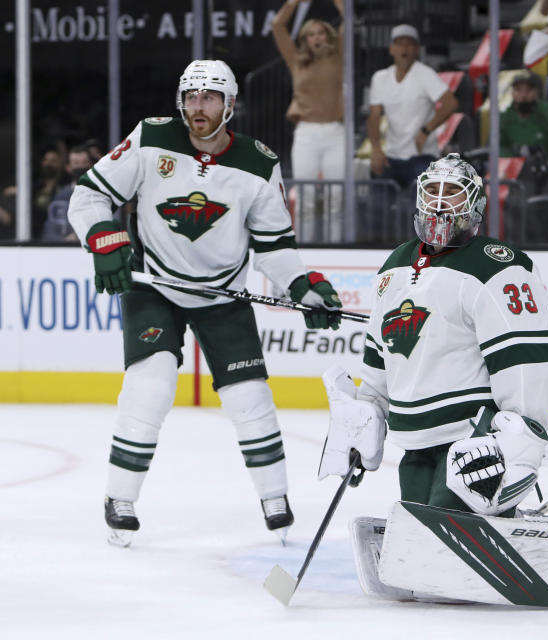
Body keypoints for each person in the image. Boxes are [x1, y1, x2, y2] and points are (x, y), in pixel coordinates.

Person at [315, 153, 548, 612]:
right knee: (428, 573)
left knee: (447, 563)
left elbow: (527, 363)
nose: (439, 204)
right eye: (431, 192)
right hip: (415, 445)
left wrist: (521, 440)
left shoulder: (498, 266)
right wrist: (364, 416)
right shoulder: (395, 265)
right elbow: (380, 355)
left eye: (452, 194)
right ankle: (523, 526)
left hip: (469, 438)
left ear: (474, 206)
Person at [66, 59, 344, 547]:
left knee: (250, 398)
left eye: (209, 97)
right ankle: (120, 498)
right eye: (191, 96)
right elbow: (87, 196)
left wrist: (304, 288)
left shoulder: (259, 164)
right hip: (153, 285)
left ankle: (274, 499)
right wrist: (104, 240)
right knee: (150, 384)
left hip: (221, 294)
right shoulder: (151, 139)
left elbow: (275, 248)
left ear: (229, 105)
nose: (198, 106)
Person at [272, 0, 346, 243]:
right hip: (306, 133)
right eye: (311, 34)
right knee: (305, 197)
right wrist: (294, 2)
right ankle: (305, 248)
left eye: (321, 32)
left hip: (336, 132)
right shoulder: (297, 60)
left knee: (337, 198)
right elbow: (278, 25)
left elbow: (350, 20)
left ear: (328, 35)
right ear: (304, 39)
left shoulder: (339, 55)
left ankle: (337, 248)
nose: (317, 38)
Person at [367, 25, 459, 191]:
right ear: (391, 49)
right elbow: (374, 116)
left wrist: (426, 129)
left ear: (417, 50)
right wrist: (376, 149)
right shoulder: (380, 78)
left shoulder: (425, 74)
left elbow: (451, 102)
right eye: (399, 43)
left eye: (409, 44)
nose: (404, 48)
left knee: (420, 204)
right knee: (376, 201)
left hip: (422, 157)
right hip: (392, 156)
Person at [499, 71, 548, 164]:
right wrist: (515, 156)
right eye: (518, 90)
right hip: (513, 171)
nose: (523, 95)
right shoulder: (505, 118)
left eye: (528, 90)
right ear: (512, 92)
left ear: (537, 92)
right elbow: (496, 148)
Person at [43, 145, 93, 241]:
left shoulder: (103, 194)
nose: (81, 167)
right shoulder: (62, 196)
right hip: (68, 251)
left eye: (85, 163)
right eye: (76, 163)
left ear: (91, 165)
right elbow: (50, 232)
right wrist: (66, 240)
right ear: (68, 168)